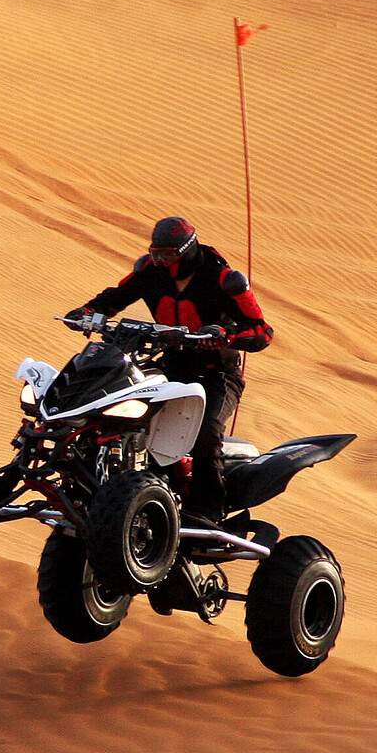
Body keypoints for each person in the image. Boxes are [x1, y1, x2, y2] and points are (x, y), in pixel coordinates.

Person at [68, 215, 273, 526]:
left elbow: (262, 331)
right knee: (123, 417)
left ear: (188, 250)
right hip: (170, 367)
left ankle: (208, 510)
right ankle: (120, 494)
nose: (162, 261)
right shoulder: (150, 272)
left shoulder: (223, 278)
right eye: (156, 253)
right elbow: (114, 298)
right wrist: (87, 312)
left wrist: (225, 336)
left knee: (205, 435)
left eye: (169, 255)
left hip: (217, 374)